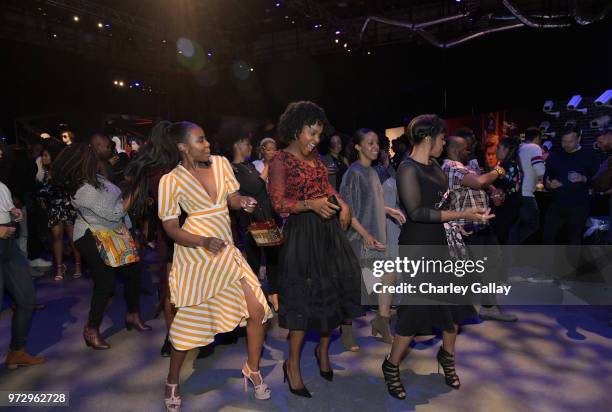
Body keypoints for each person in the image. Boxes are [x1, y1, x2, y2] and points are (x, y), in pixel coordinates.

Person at [155, 121, 273, 411]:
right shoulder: (171, 180)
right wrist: (202, 241)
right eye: (200, 140)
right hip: (197, 254)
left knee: (257, 310)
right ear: (183, 146)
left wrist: (241, 200)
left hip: (225, 250)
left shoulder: (221, 164)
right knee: (188, 327)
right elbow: (170, 226)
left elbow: (231, 198)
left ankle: (252, 369)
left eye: (206, 139)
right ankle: (172, 380)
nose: (207, 144)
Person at [382, 114, 490, 399]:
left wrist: (460, 223)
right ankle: (391, 366)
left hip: (442, 242)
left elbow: (444, 204)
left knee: (453, 308)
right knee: (414, 312)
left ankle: (447, 358)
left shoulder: (435, 166)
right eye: (442, 137)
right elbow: (417, 213)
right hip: (418, 246)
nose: (445, 142)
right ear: (428, 138)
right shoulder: (407, 168)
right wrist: (461, 214)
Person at [268, 101, 363, 397]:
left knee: (332, 295)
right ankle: (292, 365)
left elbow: (328, 188)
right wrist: (310, 204)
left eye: (319, 135)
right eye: (311, 133)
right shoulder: (281, 160)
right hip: (301, 236)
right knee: (302, 302)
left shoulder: (318, 160)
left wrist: (342, 202)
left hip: (327, 233)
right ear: (296, 130)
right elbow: (279, 203)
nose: (315, 140)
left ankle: (323, 352)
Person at [52, 142, 151, 351]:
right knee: (105, 282)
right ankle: (91, 329)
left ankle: (132, 314)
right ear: (82, 162)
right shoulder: (82, 189)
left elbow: (114, 197)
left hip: (114, 232)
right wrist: (134, 190)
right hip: (92, 236)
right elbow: (115, 212)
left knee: (134, 272)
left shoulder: (96, 178)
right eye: (91, 156)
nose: (95, 157)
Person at [340, 128, 405, 344]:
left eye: (377, 143)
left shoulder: (373, 172)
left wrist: (388, 210)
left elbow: (372, 203)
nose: (375, 147)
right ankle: (347, 331)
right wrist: (365, 234)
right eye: (369, 143)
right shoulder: (353, 173)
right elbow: (347, 210)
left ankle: (382, 321)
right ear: (358, 147)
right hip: (359, 239)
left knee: (389, 277)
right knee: (356, 289)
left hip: (376, 237)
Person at [442, 136, 517, 322]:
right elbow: (479, 182)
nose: (471, 151)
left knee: (492, 265)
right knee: (464, 272)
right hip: (465, 227)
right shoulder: (450, 167)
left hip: (481, 224)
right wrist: (500, 168)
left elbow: (480, 184)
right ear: (457, 149)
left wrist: (493, 193)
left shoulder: (465, 166)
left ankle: (488, 307)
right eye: (467, 148)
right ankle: (448, 313)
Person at [0, 145, 46, 370]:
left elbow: (8, 209)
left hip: (8, 248)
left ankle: (16, 352)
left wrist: (14, 213)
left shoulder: (1, 186)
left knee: (27, 299)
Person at [228, 136, 279, 297]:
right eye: (247, 144)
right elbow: (256, 187)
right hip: (253, 223)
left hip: (265, 219)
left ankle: (273, 295)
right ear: (238, 145)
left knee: (273, 258)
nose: (251, 147)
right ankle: (254, 299)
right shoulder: (234, 168)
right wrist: (269, 164)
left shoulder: (248, 165)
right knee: (255, 261)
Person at [543, 125, 598, 246]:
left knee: (574, 240)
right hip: (557, 204)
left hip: (578, 206)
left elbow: (596, 181)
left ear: (579, 139)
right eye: (564, 141)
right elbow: (546, 178)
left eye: (570, 141)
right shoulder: (555, 155)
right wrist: (548, 184)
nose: (566, 144)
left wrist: (583, 178)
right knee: (548, 238)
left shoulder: (589, 156)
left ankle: (572, 265)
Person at [37, 142, 82, 280]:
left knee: (72, 237)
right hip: (54, 207)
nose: (43, 158)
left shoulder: (63, 171)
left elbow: (71, 188)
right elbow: (41, 191)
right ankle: (59, 267)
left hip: (67, 205)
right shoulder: (42, 172)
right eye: (42, 156)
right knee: (56, 236)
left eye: (45, 155)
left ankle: (78, 265)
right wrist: (42, 198)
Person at [508, 127, 546, 245]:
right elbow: (540, 169)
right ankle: (513, 248)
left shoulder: (520, 148)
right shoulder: (534, 147)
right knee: (534, 225)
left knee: (516, 226)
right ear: (537, 138)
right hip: (527, 192)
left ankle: (511, 252)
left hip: (516, 191)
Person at [491, 137, 523, 245]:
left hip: (505, 207)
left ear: (505, 150)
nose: (496, 150)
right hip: (513, 205)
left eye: (498, 148)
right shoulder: (515, 163)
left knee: (503, 240)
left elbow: (495, 184)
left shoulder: (503, 166)